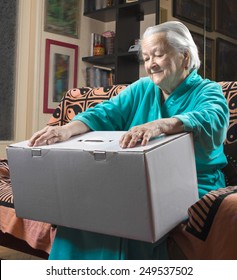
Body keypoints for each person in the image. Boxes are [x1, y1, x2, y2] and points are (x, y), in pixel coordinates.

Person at [29, 21, 229, 260]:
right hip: (137, 178)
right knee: (81, 213)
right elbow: (104, 113)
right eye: (146, 58)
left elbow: (212, 120)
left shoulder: (207, 91)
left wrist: (160, 125)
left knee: (132, 217)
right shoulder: (142, 88)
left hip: (191, 181)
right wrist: (66, 129)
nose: (151, 64)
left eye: (158, 54)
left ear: (185, 57)